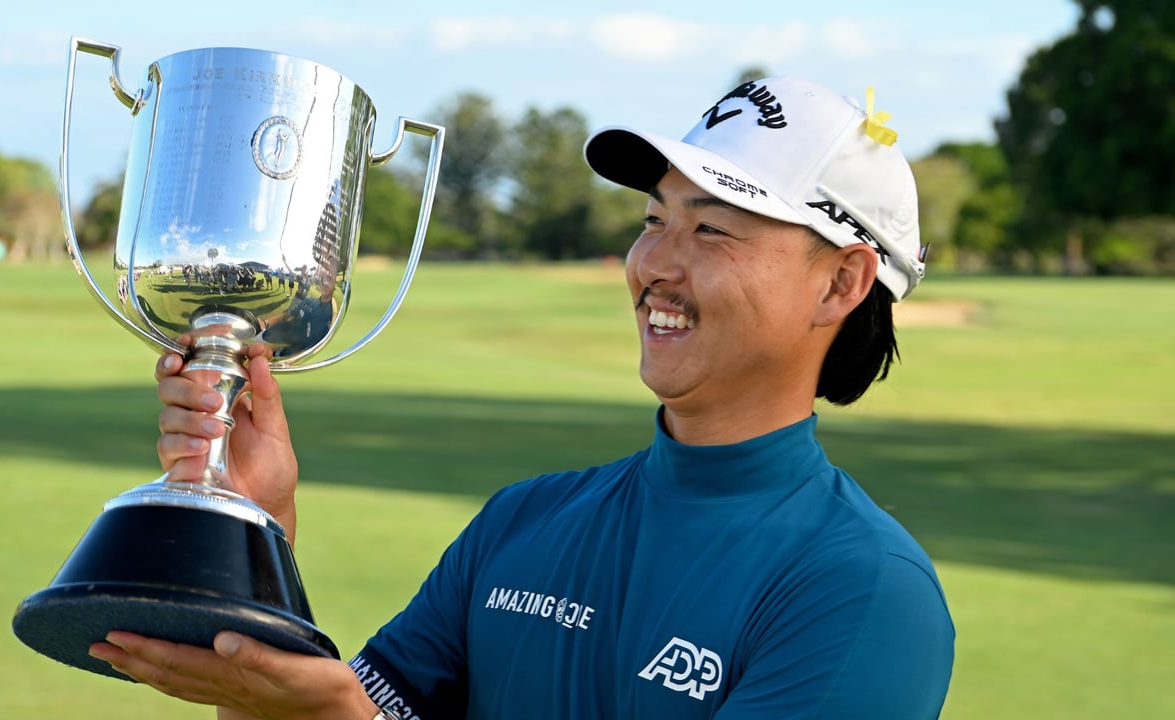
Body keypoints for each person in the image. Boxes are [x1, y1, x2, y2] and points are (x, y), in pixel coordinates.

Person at [89, 76, 955, 719]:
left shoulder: (864, 590)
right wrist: (257, 539)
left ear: (842, 283)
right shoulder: (524, 519)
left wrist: (335, 715)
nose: (656, 263)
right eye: (655, 219)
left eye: (713, 229)